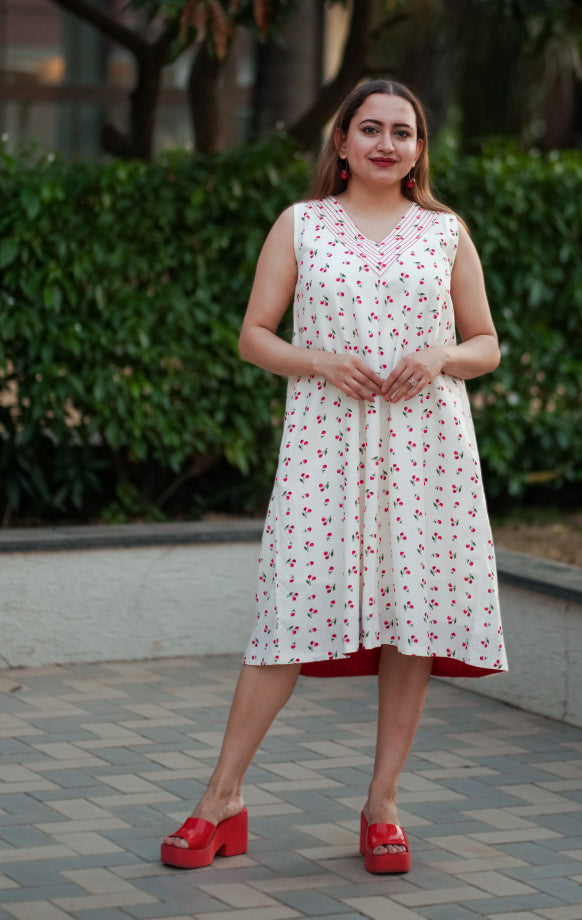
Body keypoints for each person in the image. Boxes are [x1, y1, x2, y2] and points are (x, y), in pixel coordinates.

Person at [161, 79, 507, 875]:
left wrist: (442, 355)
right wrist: (316, 360)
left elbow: (486, 342)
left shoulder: (445, 232)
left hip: (427, 452)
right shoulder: (301, 226)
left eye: (405, 132)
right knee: (288, 609)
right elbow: (254, 334)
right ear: (343, 143)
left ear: (420, 150)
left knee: (411, 618)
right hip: (326, 446)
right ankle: (222, 798)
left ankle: (383, 804)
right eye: (372, 129)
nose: (388, 143)